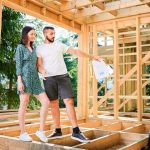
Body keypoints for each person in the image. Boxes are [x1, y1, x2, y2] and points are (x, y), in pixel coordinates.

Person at [36, 26, 101, 143]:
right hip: (49, 79)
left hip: (63, 77)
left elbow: (75, 51)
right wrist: (42, 71)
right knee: (54, 104)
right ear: (44, 34)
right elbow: (39, 65)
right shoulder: (39, 48)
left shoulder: (59, 45)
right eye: (51, 34)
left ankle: (76, 131)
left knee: (69, 102)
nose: (53, 35)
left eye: (54, 33)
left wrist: (91, 57)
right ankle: (57, 130)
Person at [15, 26, 50, 143]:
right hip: (24, 79)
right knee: (23, 104)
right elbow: (18, 65)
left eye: (34, 34)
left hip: (35, 79)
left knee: (46, 102)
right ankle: (22, 133)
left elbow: (37, 66)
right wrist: (19, 80)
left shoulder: (34, 49)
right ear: (25, 35)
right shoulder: (20, 48)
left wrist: (42, 71)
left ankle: (40, 130)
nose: (33, 36)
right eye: (32, 34)